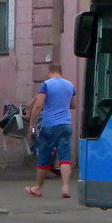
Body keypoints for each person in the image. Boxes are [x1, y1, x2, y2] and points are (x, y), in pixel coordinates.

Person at [25, 63, 76, 199]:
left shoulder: (46, 85)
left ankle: (38, 188)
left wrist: (32, 122)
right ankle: (65, 188)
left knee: (44, 158)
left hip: (50, 126)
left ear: (50, 72)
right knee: (65, 157)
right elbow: (73, 104)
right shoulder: (70, 85)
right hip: (66, 124)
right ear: (60, 71)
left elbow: (39, 105)